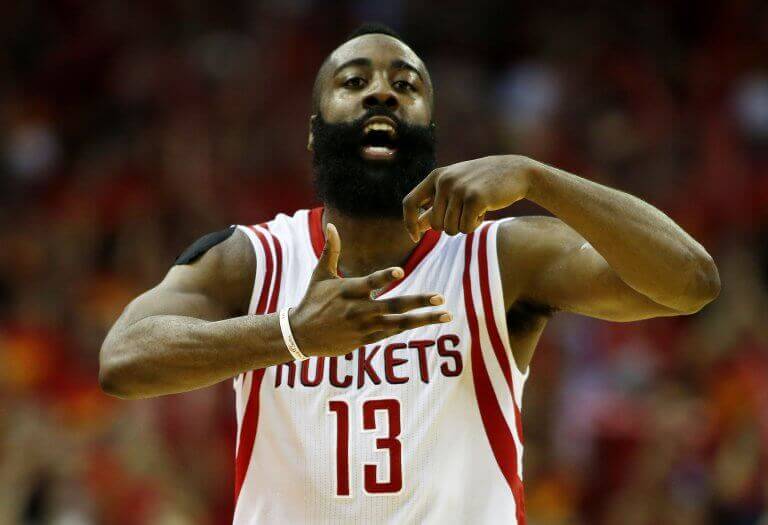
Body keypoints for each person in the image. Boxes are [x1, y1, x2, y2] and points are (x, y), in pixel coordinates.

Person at [98, 23, 720, 524]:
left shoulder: (500, 259)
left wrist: (539, 178)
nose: (382, 93)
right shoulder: (250, 258)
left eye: (406, 84)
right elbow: (122, 361)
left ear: (429, 130)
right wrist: (292, 335)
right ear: (314, 136)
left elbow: (691, 282)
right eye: (354, 81)